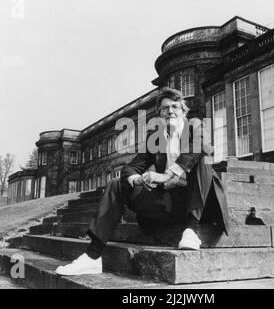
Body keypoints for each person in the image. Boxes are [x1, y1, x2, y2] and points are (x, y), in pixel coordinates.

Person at [55, 87, 229, 276]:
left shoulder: (194, 125)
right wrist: (136, 178)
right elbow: (130, 167)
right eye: (164, 108)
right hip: (169, 204)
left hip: (199, 204)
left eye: (175, 107)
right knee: (116, 184)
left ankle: (191, 230)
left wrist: (167, 175)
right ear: (159, 114)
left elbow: (201, 146)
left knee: (203, 157)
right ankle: (93, 256)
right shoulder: (156, 138)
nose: (170, 111)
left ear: (183, 111)